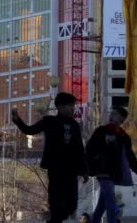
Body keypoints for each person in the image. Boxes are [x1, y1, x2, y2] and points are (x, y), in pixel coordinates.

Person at [11, 92, 88, 223]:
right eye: (69, 105)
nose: (72, 108)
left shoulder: (75, 125)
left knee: (71, 205)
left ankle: (55, 220)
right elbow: (30, 130)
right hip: (55, 168)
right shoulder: (49, 121)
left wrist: (84, 170)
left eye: (73, 105)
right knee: (56, 203)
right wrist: (18, 120)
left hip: (71, 170)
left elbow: (79, 149)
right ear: (59, 106)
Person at [87, 106, 137, 223]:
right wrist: (104, 144)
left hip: (115, 173)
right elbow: (89, 149)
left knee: (102, 204)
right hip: (102, 171)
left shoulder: (124, 136)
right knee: (110, 199)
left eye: (115, 114)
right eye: (111, 113)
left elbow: (130, 157)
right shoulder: (101, 131)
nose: (111, 116)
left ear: (121, 119)